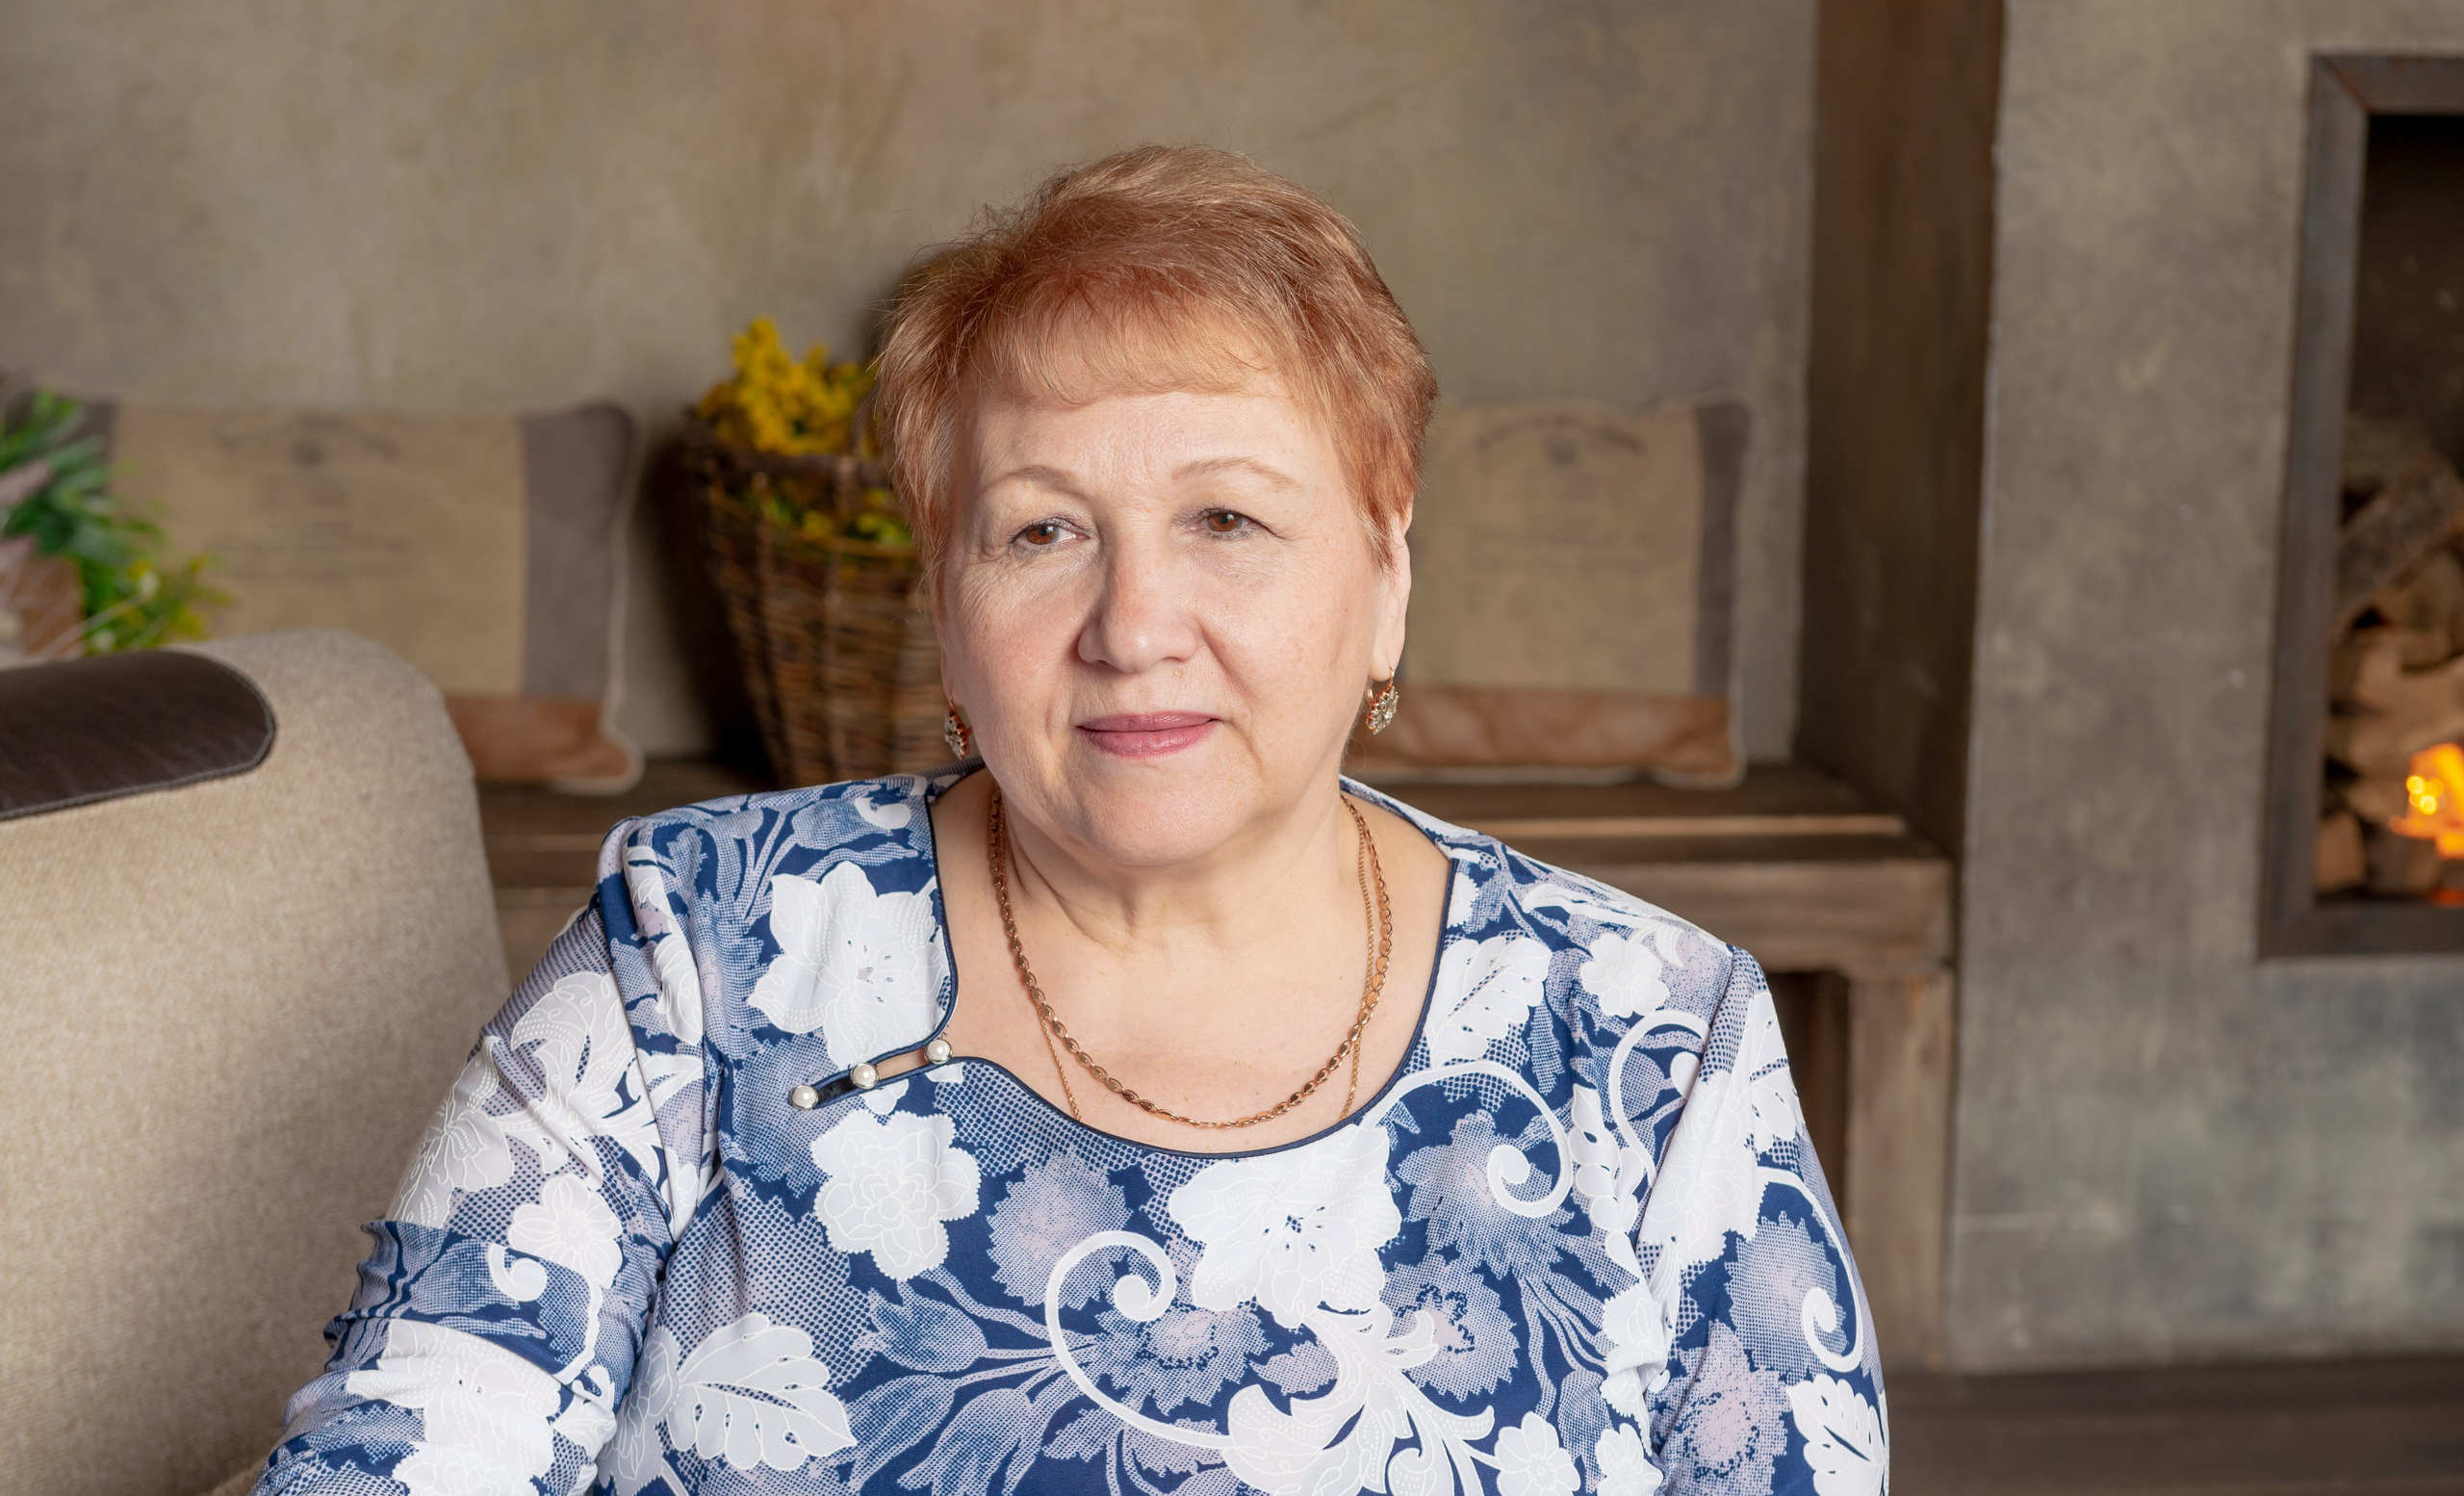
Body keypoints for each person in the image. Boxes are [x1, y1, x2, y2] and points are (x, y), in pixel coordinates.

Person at [255, 147, 1886, 1496]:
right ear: (947, 606)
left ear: (1385, 581)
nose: (1134, 622)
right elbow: (405, 1443)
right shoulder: (700, 949)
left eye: (1228, 519)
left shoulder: (1656, 1045)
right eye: (1042, 532)